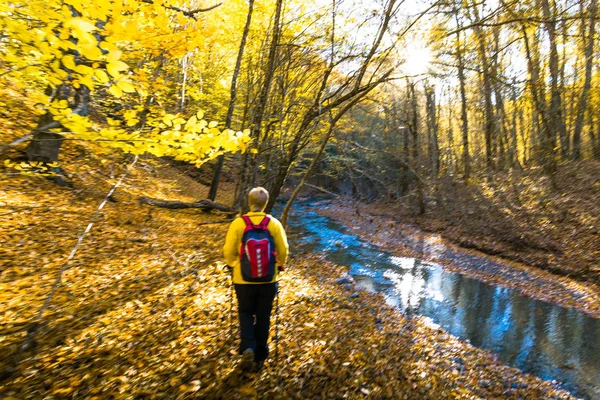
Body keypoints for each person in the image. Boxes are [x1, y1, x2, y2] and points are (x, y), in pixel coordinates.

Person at [223, 187, 289, 370]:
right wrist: (279, 265)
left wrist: (232, 264)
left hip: (242, 280)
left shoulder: (238, 224)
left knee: (245, 312)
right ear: (266, 204)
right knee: (263, 315)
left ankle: (248, 347)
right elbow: (284, 250)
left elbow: (228, 251)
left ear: (249, 202)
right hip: (268, 280)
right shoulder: (274, 224)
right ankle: (260, 355)